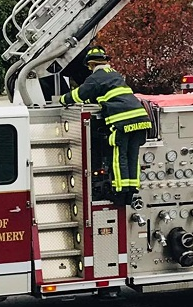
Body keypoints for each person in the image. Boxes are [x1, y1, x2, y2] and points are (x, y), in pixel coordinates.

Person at [60, 45, 152, 205]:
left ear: (91, 64)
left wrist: (62, 99)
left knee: (119, 157)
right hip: (141, 119)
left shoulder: (96, 77)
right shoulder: (115, 75)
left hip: (123, 121)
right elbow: (105, 94)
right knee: (132, 157)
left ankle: (120, 193)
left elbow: (79, 95)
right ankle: (131, 191)